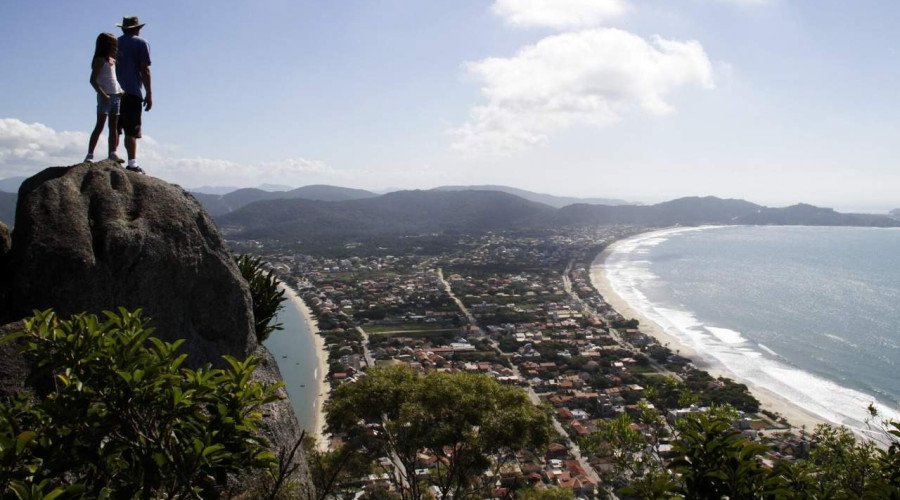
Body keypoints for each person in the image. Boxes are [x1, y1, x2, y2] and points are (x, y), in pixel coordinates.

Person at [115, 16, 152, 174]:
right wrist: (149, 93)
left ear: (123, 29)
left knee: (115, 127)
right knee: (132, 129)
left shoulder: (114, 43)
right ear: (137, 29)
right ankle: (132, 163)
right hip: (132, 91)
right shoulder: (141, 43)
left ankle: (112, 156)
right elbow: (145, 69)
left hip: (113, 91)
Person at [85, 33, 124, 164]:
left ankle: (113, 153)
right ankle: (90, 155)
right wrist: (103, 94)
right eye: (113, 44)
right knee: (100, 125)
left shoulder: (112, 61)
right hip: (105, 97)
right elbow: (93, 80)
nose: (115, 47)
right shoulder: (100, 60)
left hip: (115, 96)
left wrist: (120, 90)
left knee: (114, 126)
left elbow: (113, 79)